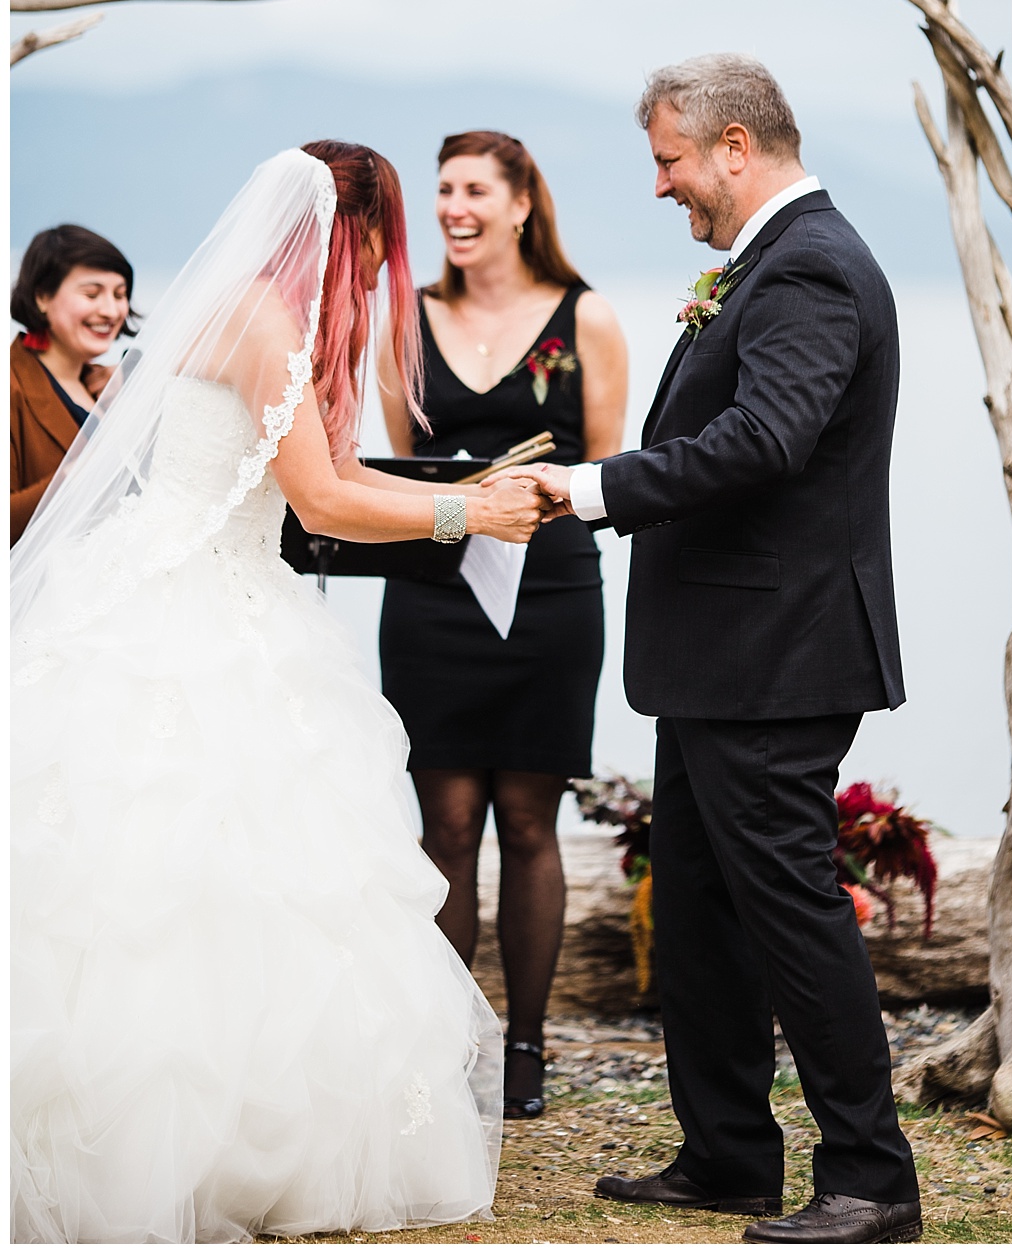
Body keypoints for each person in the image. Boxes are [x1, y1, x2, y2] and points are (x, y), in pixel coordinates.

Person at [11, 142, 550, 1244]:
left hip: (221, 583)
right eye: (377, 236)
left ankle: (233, 1133)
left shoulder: (262, 310)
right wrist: (466, 517)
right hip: (187, 606)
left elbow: (341, 478)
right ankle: (160, 1146)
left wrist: (467, 496)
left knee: (225, 879)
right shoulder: (266, 321)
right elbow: (320, 498)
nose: (382, 261)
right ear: (344, 226)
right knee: (166, 877)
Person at [502, 58, 922, 1244]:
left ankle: (871, 1178)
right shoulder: (770, 263)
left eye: (668, 159)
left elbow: (765, 439)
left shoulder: (812, 266)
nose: (659, 185)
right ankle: (730, 1150)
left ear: (735, 146)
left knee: (789, 907)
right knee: (697, 903)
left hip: (776, 652)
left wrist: (590, 489)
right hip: (720, 653)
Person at [377, 130, 627, 1120]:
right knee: (442, 830)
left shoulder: (587, 316)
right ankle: (447, 1043)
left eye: (474, 187)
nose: (452, 206)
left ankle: (524, 1046)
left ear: (523, 202)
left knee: (529, 824)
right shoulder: (406, 317)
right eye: (442, 189)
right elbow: (399, 458)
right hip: (433, 593)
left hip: (553, 594)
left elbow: (603, 464)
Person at [10, 223, 139, 544]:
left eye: (120, 295)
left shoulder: (115, 384)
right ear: (42, 296)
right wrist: (71, 477)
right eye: (91, 294)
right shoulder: (11, 385)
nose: (110, 310)